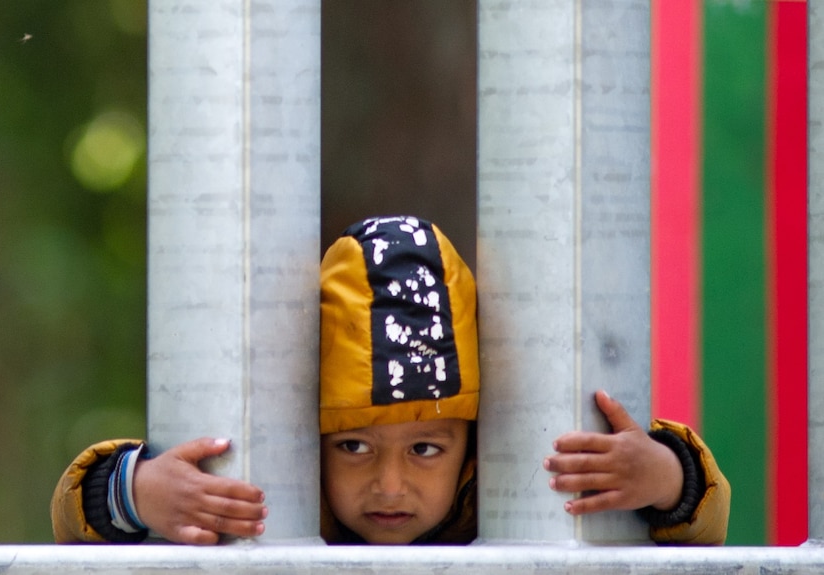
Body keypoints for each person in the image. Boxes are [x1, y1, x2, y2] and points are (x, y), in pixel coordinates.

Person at [51, 215, 730, 545]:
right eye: (353, 445)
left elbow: (711, 523)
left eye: (426, 448)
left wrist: (664, 477)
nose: (390, 485)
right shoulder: (279, 503)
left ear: (472, 442)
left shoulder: (496, 503)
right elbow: (69, 517)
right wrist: (139, 491)